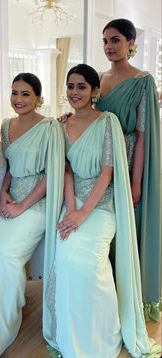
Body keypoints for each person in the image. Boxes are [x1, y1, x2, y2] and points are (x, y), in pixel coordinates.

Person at [43, 64, 162, 358]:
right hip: (72, 203)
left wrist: (83, 214)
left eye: (82, 86)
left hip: (102, 204)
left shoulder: (108, 122)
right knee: (66, 256)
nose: (74, 92)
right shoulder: (60, 125)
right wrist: (71, 210)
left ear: (95, 91)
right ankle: (72, 337)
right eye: (70, 86)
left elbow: (106, 174)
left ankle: (104, 335)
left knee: (88, 261)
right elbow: (67, 172)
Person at [0, 72, 64, 358]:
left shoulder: (50, 127)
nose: (18, 99)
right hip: (10, 199)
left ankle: (6, 324)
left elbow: (52, 175)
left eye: (26, 94)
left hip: (36, 204)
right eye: (14, 93)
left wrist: (22, 205)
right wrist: (3, 195)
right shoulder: (9, 125)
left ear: (38, 98)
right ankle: (1, 315)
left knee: (4, 256)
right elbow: (11, 166)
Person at [97, 18, 161, 320]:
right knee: (104, 228)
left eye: (116, 40)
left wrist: (137, 182)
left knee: (127, 227)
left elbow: (145, 134)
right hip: (100, 163)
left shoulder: (143, 81)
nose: (110, 46)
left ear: (131, 43)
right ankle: (105, 296)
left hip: (128, 160)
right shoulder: (100, 78)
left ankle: (129, 298)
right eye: (106, 40)